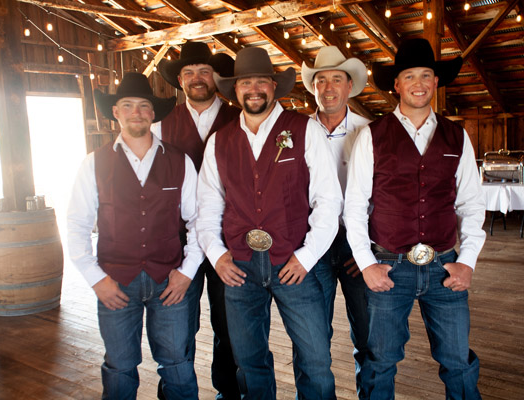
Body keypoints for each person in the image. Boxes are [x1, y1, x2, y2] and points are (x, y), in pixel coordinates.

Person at [343, 38, 486, 399]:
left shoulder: (457, 136)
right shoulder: (371, 137)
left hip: (444, 267)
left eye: (426, 75)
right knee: (380, 360)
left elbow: (471, 203)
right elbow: (355, 206)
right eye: (410, 76)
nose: (419, 83)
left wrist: (466, 261)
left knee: (457, 359)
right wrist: (366, 264)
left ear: (436, 82)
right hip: (389, 266)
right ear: (397, 84)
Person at [196, 47, 342, 399]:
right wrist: (217, 256)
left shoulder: (305, 130)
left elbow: (329, 201)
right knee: (249, 362)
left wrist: (306, 257)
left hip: (294, 264)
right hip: (240, 268)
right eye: (246, 82)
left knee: (316, 358)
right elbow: (208, 206)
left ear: (274, 86)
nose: (254, 89)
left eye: (261, 81)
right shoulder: (220, 141)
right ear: (236, 89)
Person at [67, 72, 204, 400]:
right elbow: (76, 226)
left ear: (153, 113)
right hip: (115, 281)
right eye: (127, 105)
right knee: (119, 366)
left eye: (143, 106)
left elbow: (200, 221)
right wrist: (96, 279)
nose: (136, 112)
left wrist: (186, 273)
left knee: (177, 363)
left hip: (168, 281)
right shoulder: (94, 164)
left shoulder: (180, 161)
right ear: (115, 112)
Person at [158, 40, 241, 400]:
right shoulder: (162, 125)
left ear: (216, 77)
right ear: (179, 79)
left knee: (230, 326)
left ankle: (230, 392)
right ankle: (177, 393)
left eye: (204, 71)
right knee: (178, 326)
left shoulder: (240, 119)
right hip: (179, 244)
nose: (197, 78)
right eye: (189, 72)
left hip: (230, 242)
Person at [300, 46, 371, 397]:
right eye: (321, 80)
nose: (328, 88)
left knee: (370, 340)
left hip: (356, 245)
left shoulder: (368, 131)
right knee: (312, 343)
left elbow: (384, 197)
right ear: (313, 87)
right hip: (312, 245)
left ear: (349, 87)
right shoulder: (295, 132)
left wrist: (368, 250)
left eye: (336, 80)